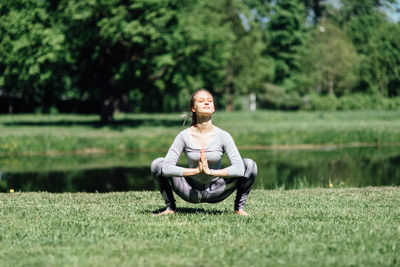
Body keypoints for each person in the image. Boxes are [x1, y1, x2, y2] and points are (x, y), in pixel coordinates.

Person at [150, 89, 257, 216]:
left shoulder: (223, 136)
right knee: (157, 163)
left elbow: (239, 169)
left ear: (214, 108)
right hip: (189, 190)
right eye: (201, 101)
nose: (206, 103)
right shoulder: (183, 136)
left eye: (210, 101)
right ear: (193, 108)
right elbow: (166, 168)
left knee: (249, 165)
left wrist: (210, 172)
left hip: (216, 190)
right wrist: (195, 171)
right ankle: (170, 208)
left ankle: (239, 209)